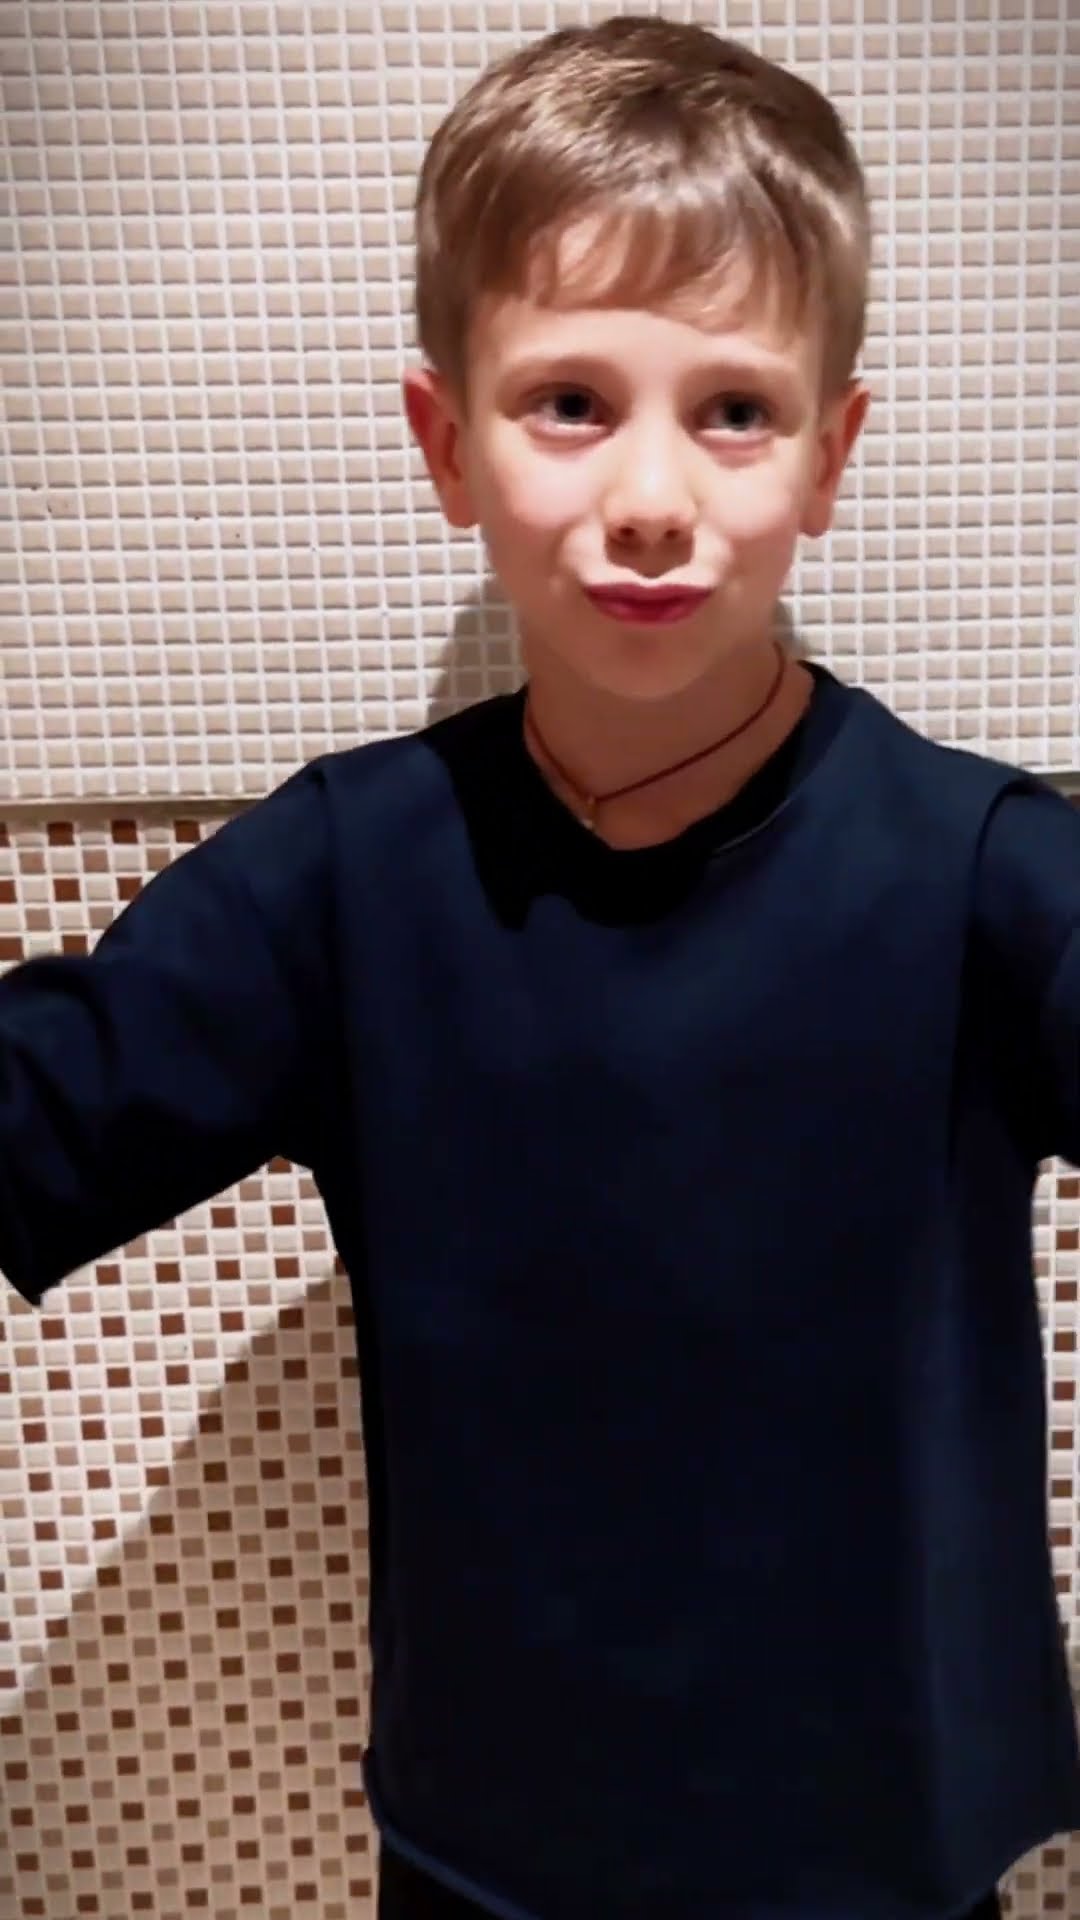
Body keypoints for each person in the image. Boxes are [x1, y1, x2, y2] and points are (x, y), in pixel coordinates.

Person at [1, 14, 1077, 1920]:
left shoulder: (982, 871)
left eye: (733, 409)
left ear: (829, 458)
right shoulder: (343, 878)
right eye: (570, 400)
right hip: (498, 1847)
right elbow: (41, 1119)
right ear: (448, 444)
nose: (653, 494)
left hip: (875, 1841)